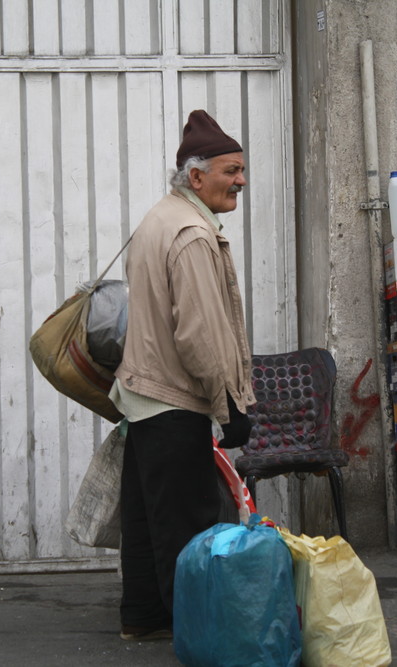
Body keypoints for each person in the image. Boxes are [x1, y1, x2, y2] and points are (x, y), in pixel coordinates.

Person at [110, 110, 256, 641]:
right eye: (230, 170)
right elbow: (201, 334)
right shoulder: (192, 234)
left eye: (242, 170)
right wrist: (230, 405)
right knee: (186, 527)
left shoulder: (160, 217)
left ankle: (142, 618)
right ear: (196, 177)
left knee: (148, 520)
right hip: (173, 400)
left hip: (143, 396)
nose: (240, 180)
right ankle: (195, 634)